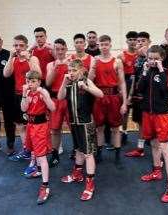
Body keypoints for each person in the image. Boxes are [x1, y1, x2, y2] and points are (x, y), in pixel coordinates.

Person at [58, 59, 103, 201]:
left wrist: (86, 87)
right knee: (78, 149)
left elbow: (100, 94)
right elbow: (60, 97)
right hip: (74, 122)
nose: (71, 73)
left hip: (86, 123)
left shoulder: (86, 81)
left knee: (88, 154)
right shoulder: (69, 83)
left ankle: (90, 184)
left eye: (73, 71)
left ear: (81, 70)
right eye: (69, 71)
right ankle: (77, 174)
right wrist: (64, 82)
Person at [138, 45, 168, 203]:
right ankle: (156, 171)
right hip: (148, 114)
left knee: (165, 149)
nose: (153, 61)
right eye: (150, 58)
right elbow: (140, 89)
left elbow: (166, 91)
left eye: (156, 58)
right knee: (153, 144)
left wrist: (160, 69)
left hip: (161, 115)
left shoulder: (167, 72)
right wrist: (145, 71)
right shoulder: (147, 71)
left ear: (162, 58)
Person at [88, 35, 127, 168]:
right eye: (101, 44)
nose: (104, 47)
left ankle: (117, 155)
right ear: (98, 46)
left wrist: (124, 102)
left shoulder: (117, 61)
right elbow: (89, 81)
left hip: (114, 98)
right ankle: (99, 154)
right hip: (99, 97)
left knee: (116, 128)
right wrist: (92, 69)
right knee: (99, 128)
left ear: (110, 45)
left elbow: (122, 83)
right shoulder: (94, 61)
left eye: (106, 44)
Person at [3, 34, 41, 161]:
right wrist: (10, 57)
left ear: (26, 46)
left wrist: (28, 58)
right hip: (18, 95)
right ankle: (26, 149)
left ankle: (37, 151)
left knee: (32, 125)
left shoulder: (33, 58)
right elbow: (6, 74)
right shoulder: (13, 60)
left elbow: (39, 74)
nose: (18, 48)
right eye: (15, 45)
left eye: (21, 45)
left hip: (32, 96)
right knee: (20, 125)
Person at [21, 70, 55, 204]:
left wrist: (44, 95)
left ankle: (45, 186)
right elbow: (23, 109)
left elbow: (52, 108)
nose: (30, 84)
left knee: (41, 155)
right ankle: (39, 171)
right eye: (28, 81)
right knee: (34, 151)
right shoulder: (27, 93)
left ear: (39, 82)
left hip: (41, 127)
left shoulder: (43, 92)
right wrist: (24, 94)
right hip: (30, 125)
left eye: (33, 81)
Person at [125, 31, 151, 157]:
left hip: (150, 98)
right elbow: (134, 78)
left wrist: (147, 53)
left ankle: (160, 153)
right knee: (140, 122)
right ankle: (140, 149)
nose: (140, 43)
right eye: (138, 41)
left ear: (149, 42)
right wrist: (130, 96)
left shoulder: (152, 57)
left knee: (152, 123)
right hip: (137, 96)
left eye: (143, 41)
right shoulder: (136, 59)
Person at [46, 38, 69, 167]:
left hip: (69, 99)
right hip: (55, 99)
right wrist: (55, 68)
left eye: (62, 49)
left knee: (74, 128)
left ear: (65, 49)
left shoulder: (71, 62)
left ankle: (76, 151)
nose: (60, 51)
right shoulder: (50, 65)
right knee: (54, 129)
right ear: (54, 50)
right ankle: (54, 155)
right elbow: (48, 83)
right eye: (57, 49)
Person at [117, 31, 138, 145]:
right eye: (130, 39)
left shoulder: (140, 54)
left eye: (134, 39)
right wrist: (120, 88)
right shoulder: (121, 55)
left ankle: (144, 136)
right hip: (126, 83)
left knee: (140, 112)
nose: (132, 42)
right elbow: (118, 74)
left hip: (139, 83)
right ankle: (124, 132)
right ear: (127, 41)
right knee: (124, 111)